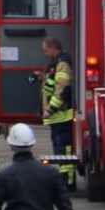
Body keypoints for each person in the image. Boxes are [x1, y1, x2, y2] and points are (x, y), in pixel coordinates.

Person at [40, 36, 78, 192]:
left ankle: (68, 183)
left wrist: (50, 109)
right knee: (60, 151)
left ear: (53, 48)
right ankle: (65, 182)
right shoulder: (56, 64)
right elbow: (53, 84)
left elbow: (62, 89)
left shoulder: (62, 64)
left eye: (46, 50)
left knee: (64, 151)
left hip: (61, 116)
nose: (44, 53)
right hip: (57, 117)